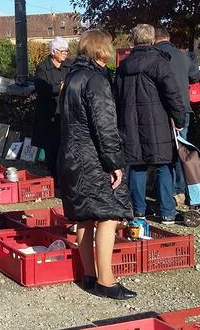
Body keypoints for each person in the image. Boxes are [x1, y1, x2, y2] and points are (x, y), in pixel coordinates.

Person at [57, 30, 136, 300]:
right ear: (103, 50)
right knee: (108, 215)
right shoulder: (96, 80)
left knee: (84, 216)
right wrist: (114, 162)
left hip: (70, 155)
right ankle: (106, 280)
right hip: (92, 157)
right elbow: (105, 126)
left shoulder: (70, 78)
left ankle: (89, 275)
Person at [115, 24, 186, 224]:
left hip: (129, 123)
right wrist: (179, 119)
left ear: (133, 40)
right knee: (164, 165)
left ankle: (138, 211)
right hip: (158, 123)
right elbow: (172, 94)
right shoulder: (159, 63)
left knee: (137, 166)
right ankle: (167, 212)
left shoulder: (123, 67)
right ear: (153, 40)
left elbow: (116, 97)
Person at [154, 28, 200, 204]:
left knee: (164, 153)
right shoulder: (182, 55)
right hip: (183, 108)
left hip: (161, 110)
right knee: (182, 150)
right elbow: (195, 77)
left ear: (154, 40)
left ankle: (166, 193)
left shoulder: (155, 55)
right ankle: (180, 190)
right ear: (169, 38)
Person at [33, 36, 71, 180]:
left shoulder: (70, 66)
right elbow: (42, 88)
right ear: (54, 52)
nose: (65, 53)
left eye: (67, 51)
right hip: (48, 114)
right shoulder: (42, 67)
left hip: (65, 112)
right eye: (63, 51)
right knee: (52, 147)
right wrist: (61, 87)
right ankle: (55, 177)